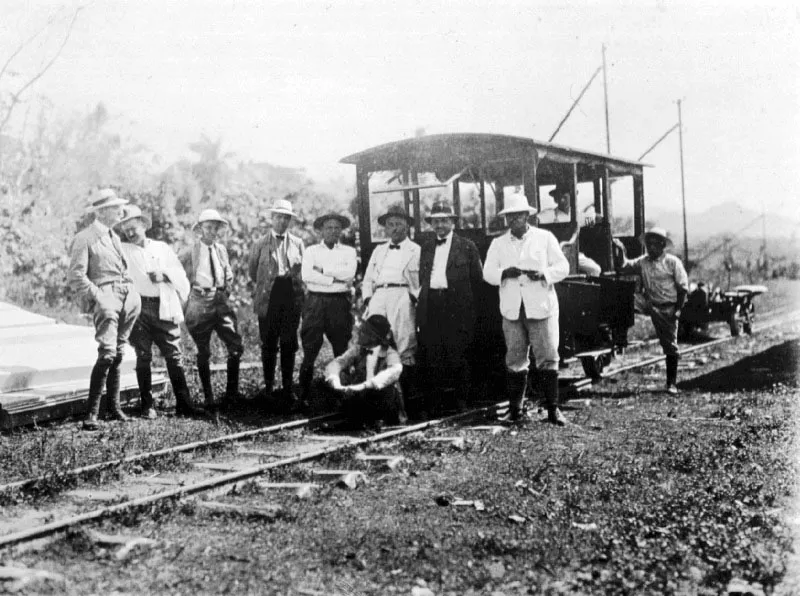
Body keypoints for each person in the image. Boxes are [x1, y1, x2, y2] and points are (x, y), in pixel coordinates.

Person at [483, 192, 570, 425]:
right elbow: (487, 273)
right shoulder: (498, 243)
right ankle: (516, 410)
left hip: (540, 306)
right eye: (509, 216)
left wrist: (545, 274)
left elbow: (563, 266)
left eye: (518, 215)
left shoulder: (545, 238)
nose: (513, 220)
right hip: (513, 309)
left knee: (548, 356)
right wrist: (504, 273)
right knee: (515, 358)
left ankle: (553, 409)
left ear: (526, 215)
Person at [68, 188, 142, 431]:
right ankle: (92, 414)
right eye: (116, 207)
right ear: (101, 211)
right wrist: (99, 296)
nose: (121, 211)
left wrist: (131, 291)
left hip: (127, 298)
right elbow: (76, 276)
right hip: (106, 296)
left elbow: (122, 267)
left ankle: (114, 407)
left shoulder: (115, 237)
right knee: (108, 353)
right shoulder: (84, 238)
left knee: (119, 353)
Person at [116, 205, 194, 418]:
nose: (130, 233)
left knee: (174, 355)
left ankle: (184, 403)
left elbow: (180, 272)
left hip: (163, 305)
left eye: (133, 227)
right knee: (143, 355)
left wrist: (165, 275)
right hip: (139, 308)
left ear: (143, 224)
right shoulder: (123, 249)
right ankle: (147, 405)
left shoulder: (161, 248)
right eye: (125, 229)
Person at [417, 199, 483, 415]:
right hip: (433, 304)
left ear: (452, 222)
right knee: (433, 354)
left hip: (458, 306)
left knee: (459, 354)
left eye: (444, 221)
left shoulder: (467, 246)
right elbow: (422, 277)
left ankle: (461, 402)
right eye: (435, 222)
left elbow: (477, 281)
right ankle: (435, 404)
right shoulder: (426, 247)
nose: (440, 226)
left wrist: (470, 310)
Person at [180, 209, 244, 412]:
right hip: (199, 300)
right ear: (200, 230)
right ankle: (208, 397)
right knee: (203, 350)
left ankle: (231, 394)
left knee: (235, 346)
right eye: (208, 227)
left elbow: (228, 273)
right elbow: (175, 271)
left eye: (215, 228)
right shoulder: (189, 251)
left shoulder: (222, 250)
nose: (212, 232)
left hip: (220, 299)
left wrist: (227, 287)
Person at [613, 226, 689, 394]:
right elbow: (625, 266)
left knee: (670, 346)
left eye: (655, 244)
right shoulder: (643, 262)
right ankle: (619, 337)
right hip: (649, 303)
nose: (651, 248)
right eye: (649, 244)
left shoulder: (672, 262)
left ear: (662, 245)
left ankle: (671, 383)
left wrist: (677, 310)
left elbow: (683, 288)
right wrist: (620, 249)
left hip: (667, 307)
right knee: (626, 299)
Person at [248, 198, 305, 410]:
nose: (282, 221)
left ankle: (288, 388)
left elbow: (303, 272)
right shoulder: (260, 244)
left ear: (290, 221)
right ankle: (269, 388)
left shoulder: (298, 243)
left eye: (286, 218)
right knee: (269, 343)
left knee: (289, 343)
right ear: (272, 218)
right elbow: (253, 272)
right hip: (269, 297)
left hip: (290, 295)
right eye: (278, 217)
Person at [361, 204, 420, 401]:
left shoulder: (416, 250)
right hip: (379, 295)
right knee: (373, 342)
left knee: (405, 341)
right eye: (390, 224)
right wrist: (369, 298)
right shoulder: (379, 250)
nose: (394, 228)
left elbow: (421, 280)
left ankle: (407, 397)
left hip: (402, 294)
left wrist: (414, 298)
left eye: (398, 224)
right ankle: (375, 393)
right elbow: (368, 278)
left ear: (406, 227)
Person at [298, 212, 358, 405]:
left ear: (341, 231)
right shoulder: (311, 251)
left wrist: (322, 271)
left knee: (341, 348)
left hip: (340, 303)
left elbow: (349, 275)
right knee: (310, 349)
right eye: (328, 227)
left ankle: (343, 395)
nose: (333, 231)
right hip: (315, 303)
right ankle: (303, 395)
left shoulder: (348, 252)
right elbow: (307, 275)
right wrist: (334, 279)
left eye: (336, 228)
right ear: (321, 230)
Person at [322, 314, 406, 428]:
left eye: (363, 332)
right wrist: (334, 380)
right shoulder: (358, 349)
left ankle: (370, 420)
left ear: (374, 337)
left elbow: (394, 371)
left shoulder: (390, 353)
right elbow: (338, 362)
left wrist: (363, 386)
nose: (359, 334)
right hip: (363, 396)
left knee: (384, 393)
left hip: (381, 399)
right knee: (324, 383)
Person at [537, 184, 602, 277]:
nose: (562, 200)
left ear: (572, 197)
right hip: (553, 254)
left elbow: (597, 217)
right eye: (559, 197)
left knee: (595, 269)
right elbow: (536, 219)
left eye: (565, 197)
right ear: (555, 199)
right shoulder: (549, 214)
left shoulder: (578, 215)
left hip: (573, 253)